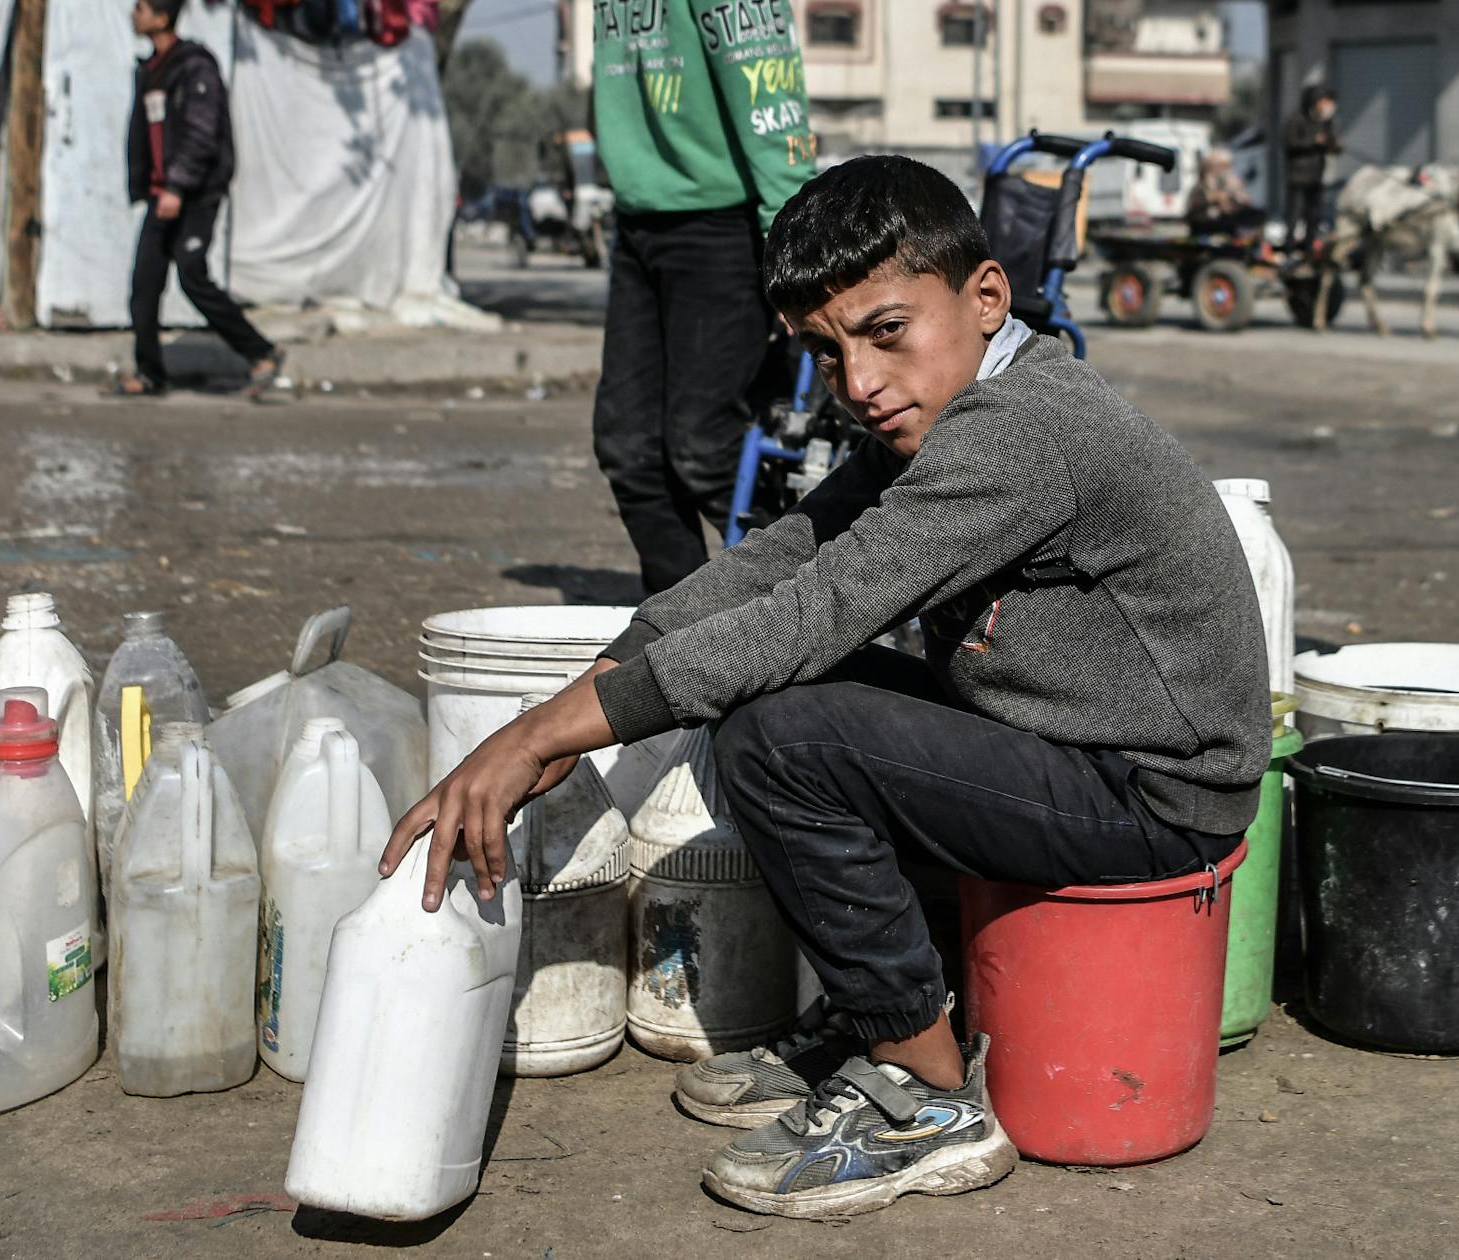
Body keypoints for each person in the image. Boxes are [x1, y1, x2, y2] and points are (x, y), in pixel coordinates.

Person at [389, 156, 1266, 1219]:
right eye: (827, 348)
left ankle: (924, 1094)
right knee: (777, 693)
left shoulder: (1023, 429)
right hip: (1067, 745)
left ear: (986, 297)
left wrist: (534, 737)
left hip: (1153, 798)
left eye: (886, 331)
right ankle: (881, 1010)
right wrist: (594, 689)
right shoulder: (949, 404)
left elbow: (815, 611)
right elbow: (785, 554)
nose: (858, 382)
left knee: (786, 730)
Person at [585, 0, 818, 596]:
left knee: (703, 447)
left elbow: (773, 106)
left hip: (722, 227)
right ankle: (677, 630)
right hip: (640, 221)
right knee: (628, 450)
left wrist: (792, 253)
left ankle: (803, 605)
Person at [113, 0, 281, 401]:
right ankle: (150, 374)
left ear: (161, 16)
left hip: (195, 193)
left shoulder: (194, 67)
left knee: (192, 274)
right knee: (144, 285)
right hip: (162, 193)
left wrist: (177, 185)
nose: (133, 15)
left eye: (141, 8)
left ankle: (261, 354)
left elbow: (202, 133)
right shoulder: (152, 70)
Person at [1281, 85, 1340, 245]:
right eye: (1325, 101)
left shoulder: (1326, 122)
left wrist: (1334, 144)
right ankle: (1289, 250)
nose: (1328, 106)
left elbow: (1333, 146)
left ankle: (1309, 250)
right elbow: (1291, 143)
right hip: (1298, 176)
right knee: (1294, 215)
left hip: (1317, 176)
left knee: (1314, 216)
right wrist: (1314, 141)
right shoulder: (1297, 119)